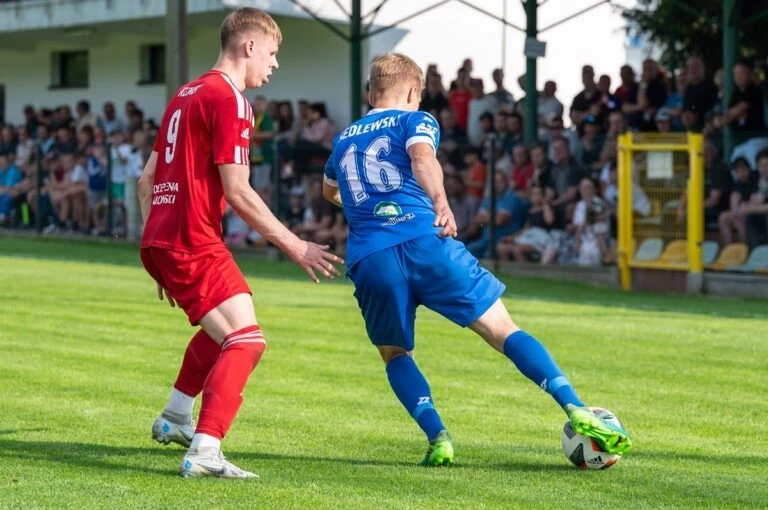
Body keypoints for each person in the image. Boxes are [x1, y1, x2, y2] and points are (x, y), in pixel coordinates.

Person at [321, 53, 632, 466]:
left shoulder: (343, 139)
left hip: (371, 257)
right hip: (426, 241)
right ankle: (575, 407)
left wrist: (369, 211)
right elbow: (422, 158)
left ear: (370, 93)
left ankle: (438, 438)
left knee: (395, 354)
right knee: (503, 330)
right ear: (413, 91)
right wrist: (440, 201)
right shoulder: (415, 120)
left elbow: (330, 191)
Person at [138, 8, 343, 479]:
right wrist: (295, 245)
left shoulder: (184, 94)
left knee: (225, 331)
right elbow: (239, 191)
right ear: (249, 46)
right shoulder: (230, 99)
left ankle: (175, 416)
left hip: (164, 237)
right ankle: (205, 450)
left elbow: (146, 180)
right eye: (272, 53)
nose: (274, 64)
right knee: (247, 341)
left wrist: (157, 248)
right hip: (192, 237)